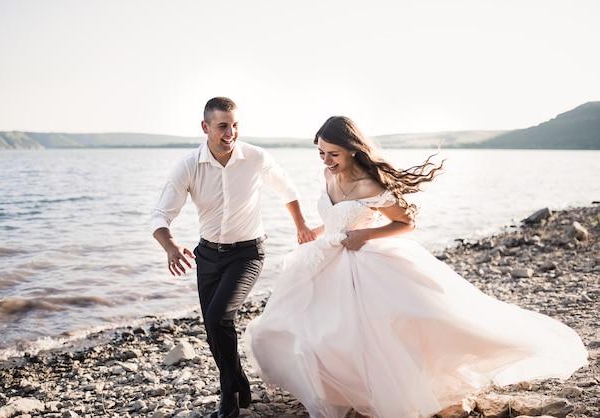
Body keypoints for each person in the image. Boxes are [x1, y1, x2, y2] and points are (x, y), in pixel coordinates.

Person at [243, 116, 588, 418]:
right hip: (326, 257)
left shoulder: (371, 182)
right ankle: (338, 391)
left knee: (375, 329)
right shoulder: (327, 174)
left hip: (363, 260)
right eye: (321, 152)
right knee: (316, 327)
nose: (326, 160)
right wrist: (315, 230)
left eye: (333, 153)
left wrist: (366, 233)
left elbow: (405, 224)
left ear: (350, 149)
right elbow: (335, 215)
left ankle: (381, 392)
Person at [151, 97, 316, 418]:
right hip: (207, 256)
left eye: (235, 125)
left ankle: (228, 395)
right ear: (205, 127)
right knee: (214, 327)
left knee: (218, 318)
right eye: (223, 126)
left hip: (248, 253)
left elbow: (286, 188)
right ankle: (240, 384)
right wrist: (170, 245)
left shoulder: (254, 157)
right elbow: (160, 214)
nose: (231, 132)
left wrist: (301, 225)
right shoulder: (188, 166)